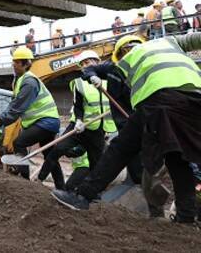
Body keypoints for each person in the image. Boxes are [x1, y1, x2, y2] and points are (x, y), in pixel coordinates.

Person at [52, 33, 201, 224]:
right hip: (195, 100)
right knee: (179, 159)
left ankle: (82, 197)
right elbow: (195, 38)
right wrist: (93, 76)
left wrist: (92, 74)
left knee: (120, 149)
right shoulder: (169, 42)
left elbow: (93, 68)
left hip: (160, 101)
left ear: (120, 52)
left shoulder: (124, 61)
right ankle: (186, 217)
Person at [0, 47, 64, 188]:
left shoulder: (29, 82)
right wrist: (3, 118)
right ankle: (61, 187)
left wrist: (2, 121)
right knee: (49, 154)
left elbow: (18, 107)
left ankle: (25, 182)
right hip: (46, 122)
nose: (13, 65)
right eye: (13, 62)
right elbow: (14, 103)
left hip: (45, 121)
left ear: (25, 64)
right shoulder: (21, 81)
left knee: (19, 143)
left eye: (17, 62)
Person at [37, 50, 107, 184]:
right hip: (79, 127)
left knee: (96, 163)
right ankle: (39, 179)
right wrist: (79, 120)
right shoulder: (79, 83)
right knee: (57, 150)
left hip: (98, 129)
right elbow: (78, 105)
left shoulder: (108, 81)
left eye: (90, 61)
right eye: (84, 63)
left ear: (97, 62)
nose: (87, 65)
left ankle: (92, 195)